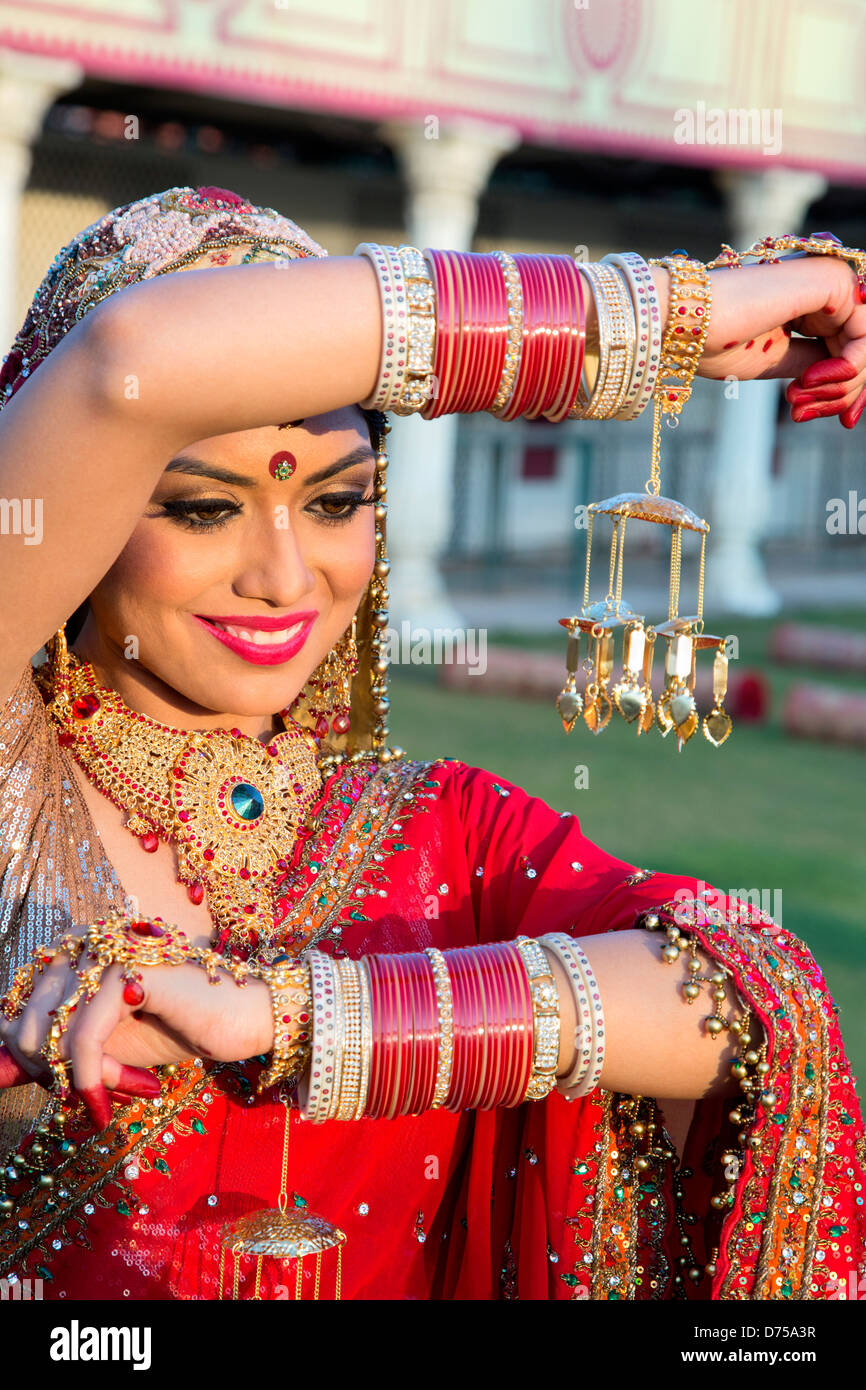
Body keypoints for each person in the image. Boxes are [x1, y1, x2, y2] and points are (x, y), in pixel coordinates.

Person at [0, 186, 862, 1302]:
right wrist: (671, 319)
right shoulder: (19, 782)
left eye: (335, 501)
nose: (282, 576)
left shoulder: (437, 828)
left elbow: (753, 1000)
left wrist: (284, 1018)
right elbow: (127, 364)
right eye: (201, 508)